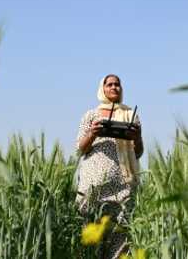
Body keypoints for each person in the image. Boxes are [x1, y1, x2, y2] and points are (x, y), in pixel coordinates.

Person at [74, 74, 143, 259]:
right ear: (102, 89)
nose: (114, 87)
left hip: (122, 188)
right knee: (91, 237)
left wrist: (137, 137)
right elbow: (80, 149)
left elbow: (138, 153)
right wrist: (93, 134)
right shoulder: (91, 115)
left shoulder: (130, 116)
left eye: (117, 84)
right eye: (110, 84)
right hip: (93, 188)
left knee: (120, 238)